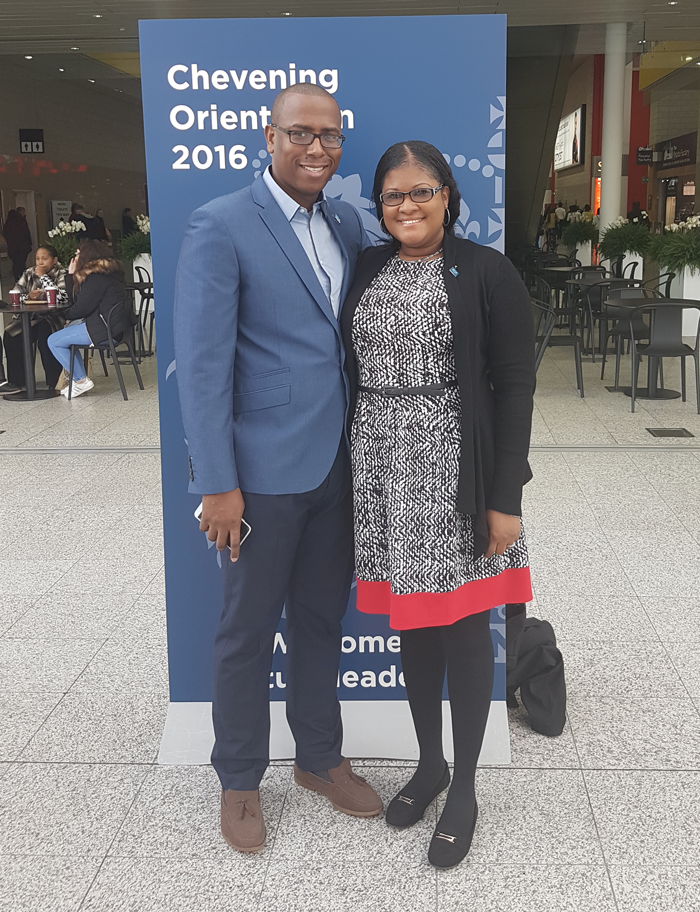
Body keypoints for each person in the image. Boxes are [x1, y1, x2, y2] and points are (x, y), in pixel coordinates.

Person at [173, 83, 382, 855]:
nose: (318, 148)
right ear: (268, 137)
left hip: (338, 465)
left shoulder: (346, 221)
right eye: (301, 133)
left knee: (324, 618)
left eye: (330, 134)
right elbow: (201, 368)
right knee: (247, 630)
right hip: (258, 474)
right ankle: (238, 778)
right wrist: (217, 484)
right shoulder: (222, 223)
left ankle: (319, 759)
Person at [340, 141, 535, 868]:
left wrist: (504, 497)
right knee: (411, 626)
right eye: (393, 196)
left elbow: (516, 387)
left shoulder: (487, 270)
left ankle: (467, 786)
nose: (408, 206)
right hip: (381, 468)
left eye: (422, 192)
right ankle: (429, 764)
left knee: (461, 629)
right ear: (380, 207)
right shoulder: (367, 266)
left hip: (459, 469)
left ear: (448, 195)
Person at [48, 240, 128, 398]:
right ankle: (77, 380)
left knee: (53, 341)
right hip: (117, 327)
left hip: (105, 329)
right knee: (67, 334)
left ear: (86, 255)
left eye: (78, 253)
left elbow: (81, 307)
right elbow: (81, 304)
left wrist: (65, 315)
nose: (75, 257)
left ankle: (80, 380)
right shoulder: (109, 273)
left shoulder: (96, 277)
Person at [3, 244, 67, 390]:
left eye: (44, 259)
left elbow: (62, 298)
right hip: (30, 317)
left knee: (46, 336)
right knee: (11, 335)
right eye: (38, 258)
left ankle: (54, 381)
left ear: (55, 260)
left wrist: (43, 277)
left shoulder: (62, 273)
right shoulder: (28, 273)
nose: (40, 262)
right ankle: (19, 381)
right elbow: (15, 295)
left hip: (53, 317)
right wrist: (28, 296)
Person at [3, 209, 33, 281]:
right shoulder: (21, 222)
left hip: (13, 248)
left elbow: (5, 234)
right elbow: (26, 233)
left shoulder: (8, 224)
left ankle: (17, 276)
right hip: (23, 247)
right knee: (22, 262)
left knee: (15, 262)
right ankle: (22, 276)